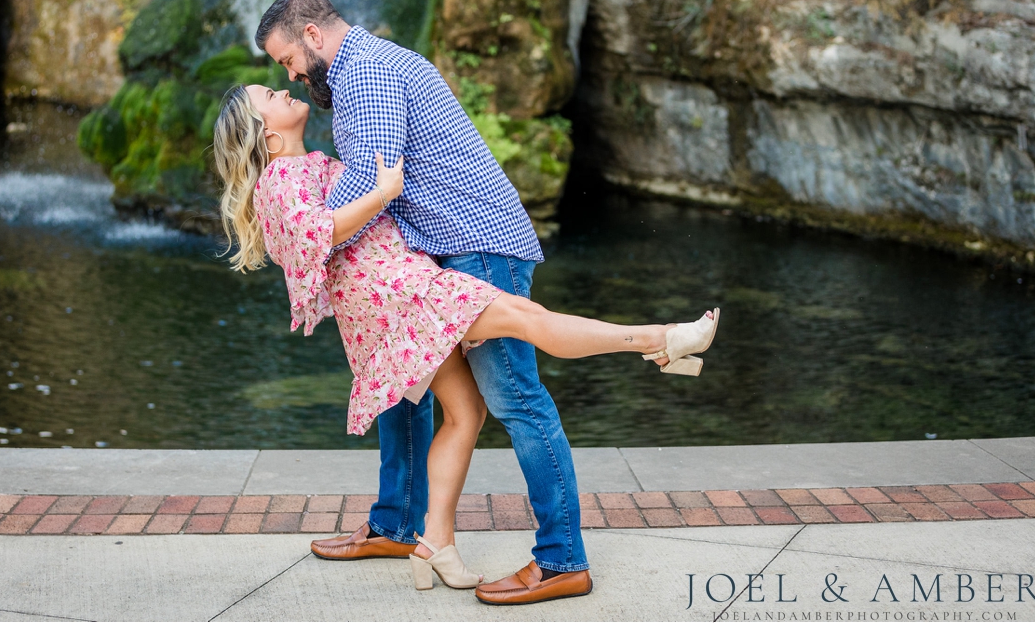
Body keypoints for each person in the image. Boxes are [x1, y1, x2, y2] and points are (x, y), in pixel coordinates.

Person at [213, 79, 720, 599]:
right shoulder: (280, 178)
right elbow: (320, 234)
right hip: (400, 294)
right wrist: (386, 191)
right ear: (266, 134)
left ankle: (437, 543)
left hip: (395, 293)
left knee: (467, 412)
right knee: (526, 318)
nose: (283, 89)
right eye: (269, 96)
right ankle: (662, 339)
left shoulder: (312, 165)